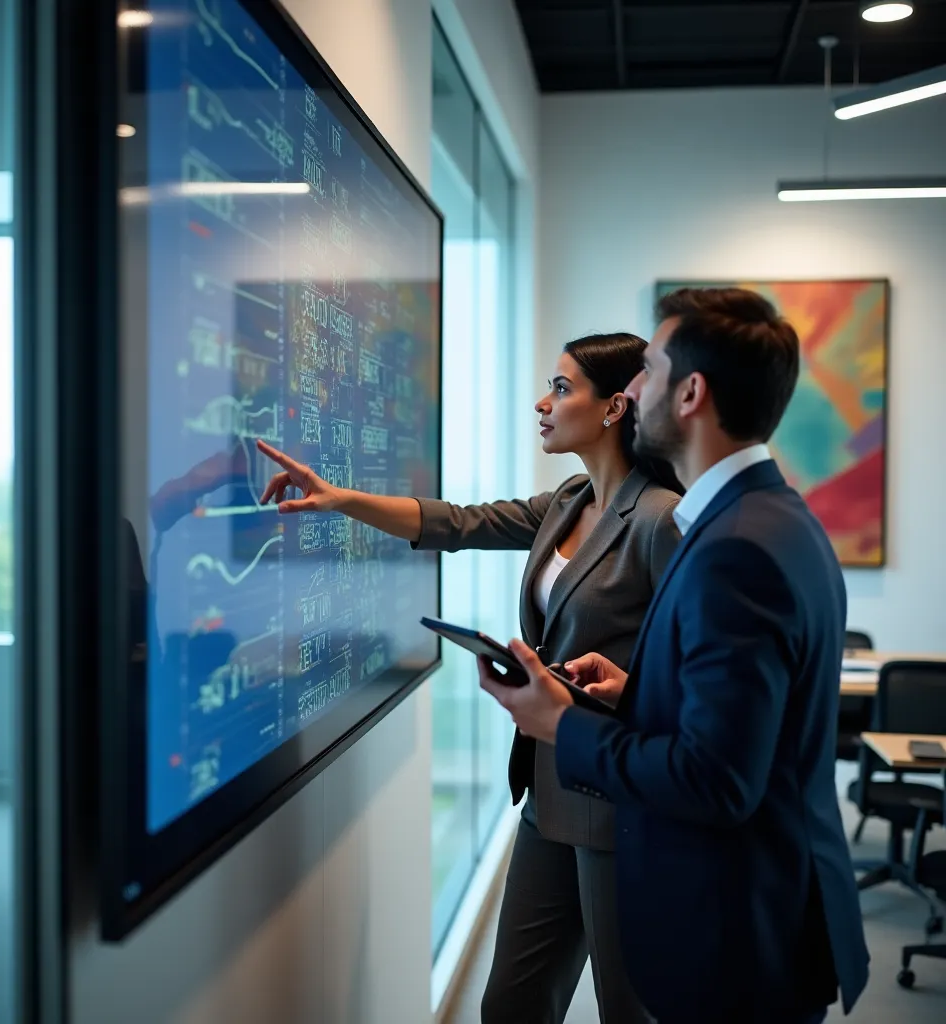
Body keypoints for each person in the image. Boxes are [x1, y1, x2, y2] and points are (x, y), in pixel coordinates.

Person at [257, 333, 683, 1023]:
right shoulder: (571, 499)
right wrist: (337, 499)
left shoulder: (661, 519)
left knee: (631, 1009)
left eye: (563, 388)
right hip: (548, 788)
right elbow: (455, 523)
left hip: (619, 800)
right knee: (512, 1003)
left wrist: (625, 688)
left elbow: (687, 669)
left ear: (613, 407)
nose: (543, 404)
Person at [477, 288, 871, 1024]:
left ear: (690, 393)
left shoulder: (735, 549)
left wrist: (562, 724)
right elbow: (746, 729)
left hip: (734, 927)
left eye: (648, 370)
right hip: (759, 910)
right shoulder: (766, 517)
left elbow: (717, 781)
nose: (632, 390)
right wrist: (634, 693)